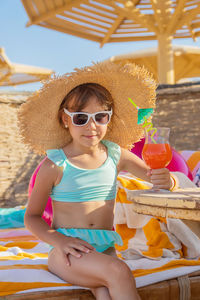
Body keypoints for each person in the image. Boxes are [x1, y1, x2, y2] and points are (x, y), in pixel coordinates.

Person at [18, 62, 173, 300]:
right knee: (120, 272)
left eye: (100, 116)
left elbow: (156, 179)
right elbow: (31, 217)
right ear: (64, 119)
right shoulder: (55, 165)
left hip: (104, 249)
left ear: (108, 119)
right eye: (81, 118)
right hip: (67, 253)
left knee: (104, 292)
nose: (92, 126)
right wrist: (60, 240)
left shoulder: (115, 154)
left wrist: (168, 180)